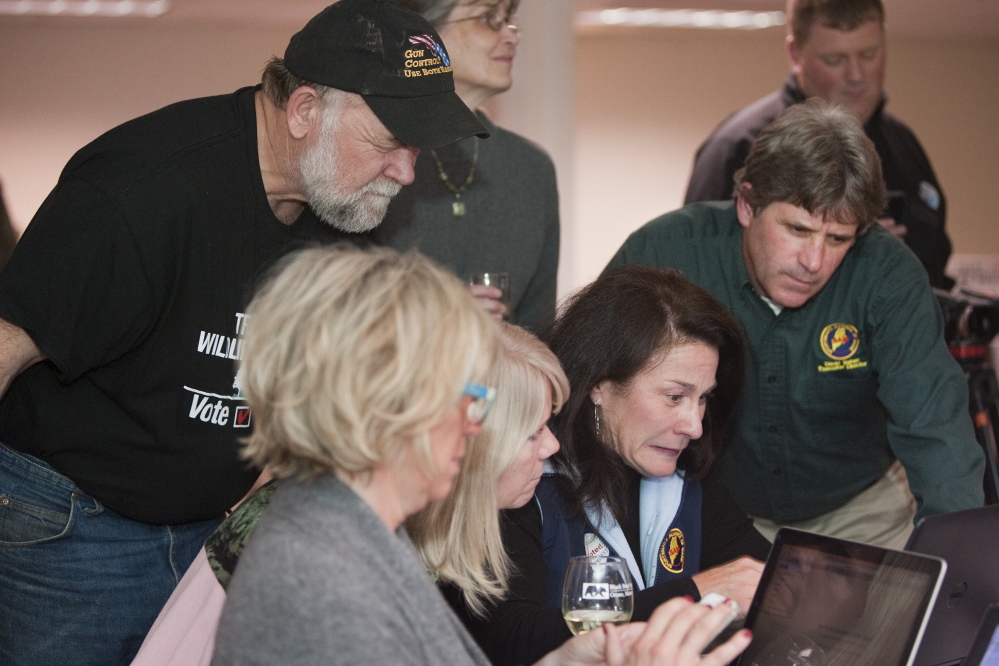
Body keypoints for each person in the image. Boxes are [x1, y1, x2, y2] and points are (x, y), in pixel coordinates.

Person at [0, 1, 487, 663]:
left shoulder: (340, 206)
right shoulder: (145, 187)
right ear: (305, 109)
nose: (405, 172)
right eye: (387, 144)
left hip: (211, 532)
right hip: (74, 530)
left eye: (415, 149)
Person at [211, 244, 754, 666]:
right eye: (471, 398)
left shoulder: (351, 527)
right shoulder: (322, 576)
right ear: (386, 407)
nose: (478, 425)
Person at [608, 100, 984, 550]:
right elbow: (590, 379)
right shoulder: (666, 251)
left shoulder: (889, 275)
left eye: (839, 239)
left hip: (863, 513)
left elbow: (936, 429)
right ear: (747, 205)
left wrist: (958, 566)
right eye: (798, 230)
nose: (814, 261)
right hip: (714, 510)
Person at [462, 265, 771, 666]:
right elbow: (508, 639)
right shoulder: (521, 478)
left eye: (704, 399)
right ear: (599, 385)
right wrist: (696, 593)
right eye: (675, 397)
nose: (695, 426)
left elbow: (771, 587)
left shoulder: (688, 488)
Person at [684, 0, 954, 289]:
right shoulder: (737, 147)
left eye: (869, 54)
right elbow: (699, 280)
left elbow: (935, 271)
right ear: (795, 53)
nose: (856, 75)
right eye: (834, 60)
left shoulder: (905, 147)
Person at [371, 0, 560, 331]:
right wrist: (435, 316)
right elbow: (328, 310)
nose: (512, 37)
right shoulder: (370, 151)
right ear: (423, 34)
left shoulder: (530, 168)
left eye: (510, 22)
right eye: (488, 19)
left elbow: (538, 330)